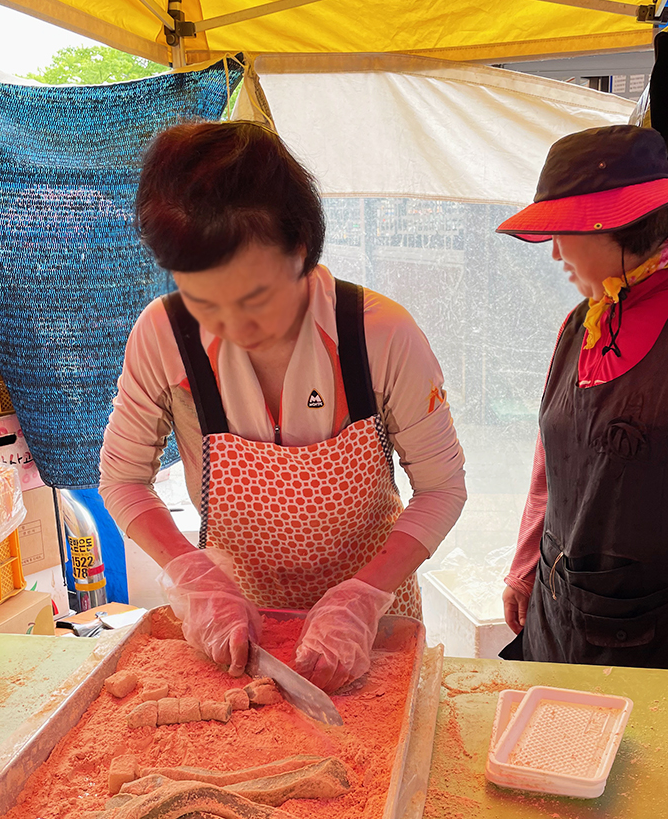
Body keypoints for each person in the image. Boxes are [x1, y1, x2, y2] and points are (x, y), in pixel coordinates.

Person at [100, 120, 466, 691]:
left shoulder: (380, 335)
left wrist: (363, 597)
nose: (231, 325)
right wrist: (193, 576)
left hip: (368, 622)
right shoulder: (163, 336)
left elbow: (442, 489)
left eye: (254, 295)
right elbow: (123, 480)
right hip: (237, 628)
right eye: (203, 297)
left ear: (299, 249)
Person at [497, 124, 668, 672]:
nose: (554, 251)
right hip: (558, 620)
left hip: (665, 642)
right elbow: (552, 462)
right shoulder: (580, 322)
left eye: (562, 231)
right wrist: (525, 567)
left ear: (617, 223)